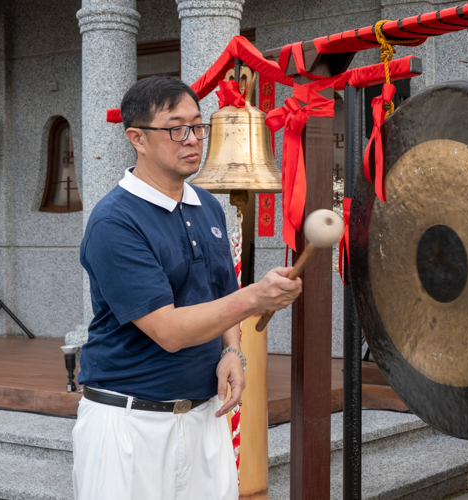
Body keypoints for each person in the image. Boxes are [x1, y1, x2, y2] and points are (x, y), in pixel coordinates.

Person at [72, 76, 302, 500]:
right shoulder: (114, 222)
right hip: (128, 423)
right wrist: (255, 297)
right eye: (177, 128)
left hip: (203, 416)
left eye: (199, 126)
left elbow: (220, 293)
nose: (193, 139)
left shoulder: (206, 204)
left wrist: (232, 350)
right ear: (136, 138)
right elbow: (170, 331)